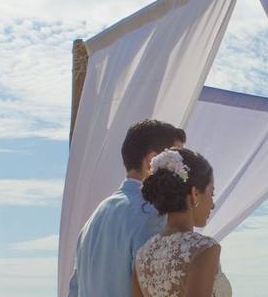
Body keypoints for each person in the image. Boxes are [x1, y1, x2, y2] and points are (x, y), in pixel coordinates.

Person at [68, 119, 186, 297]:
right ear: (151, 162)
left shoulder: (94, 218)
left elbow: (74, 291)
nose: (185, 172)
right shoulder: (153, 215)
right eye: (178, 162)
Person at [133, 147, 231, 297]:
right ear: (195, 193)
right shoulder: (204, 250)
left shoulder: (142, 256)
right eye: (212, 193)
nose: (212, 204)